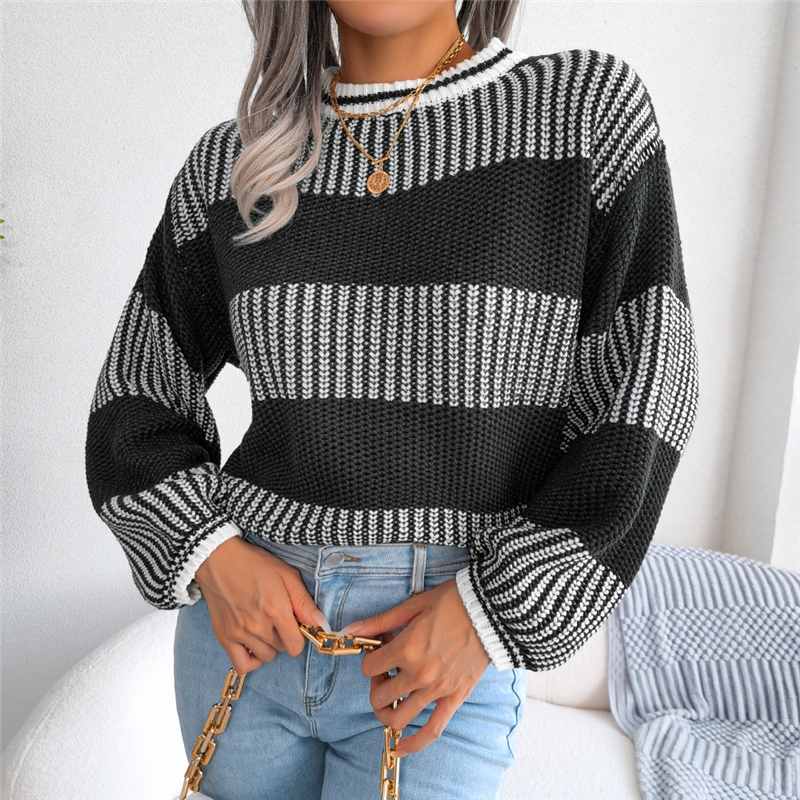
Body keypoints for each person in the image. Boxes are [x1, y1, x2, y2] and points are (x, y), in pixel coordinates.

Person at [84, 0, 700, 797]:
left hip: (443, 645)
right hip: (244, 642)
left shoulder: (581, 115)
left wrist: (493, 613)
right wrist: (209, 552)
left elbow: (648, 390)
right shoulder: (233, 165)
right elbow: (135, 394)